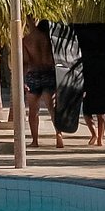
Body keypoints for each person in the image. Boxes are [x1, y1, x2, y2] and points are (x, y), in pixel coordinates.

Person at [22, 17, 64, 150]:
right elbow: (57, 58)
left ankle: (35, 140)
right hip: (49, 73)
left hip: (33, 74)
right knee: (52, 108)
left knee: (33, 110)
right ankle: (58, 134)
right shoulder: (49, 39)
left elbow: (25, 61)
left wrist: (23, 80)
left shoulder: (26, 40)